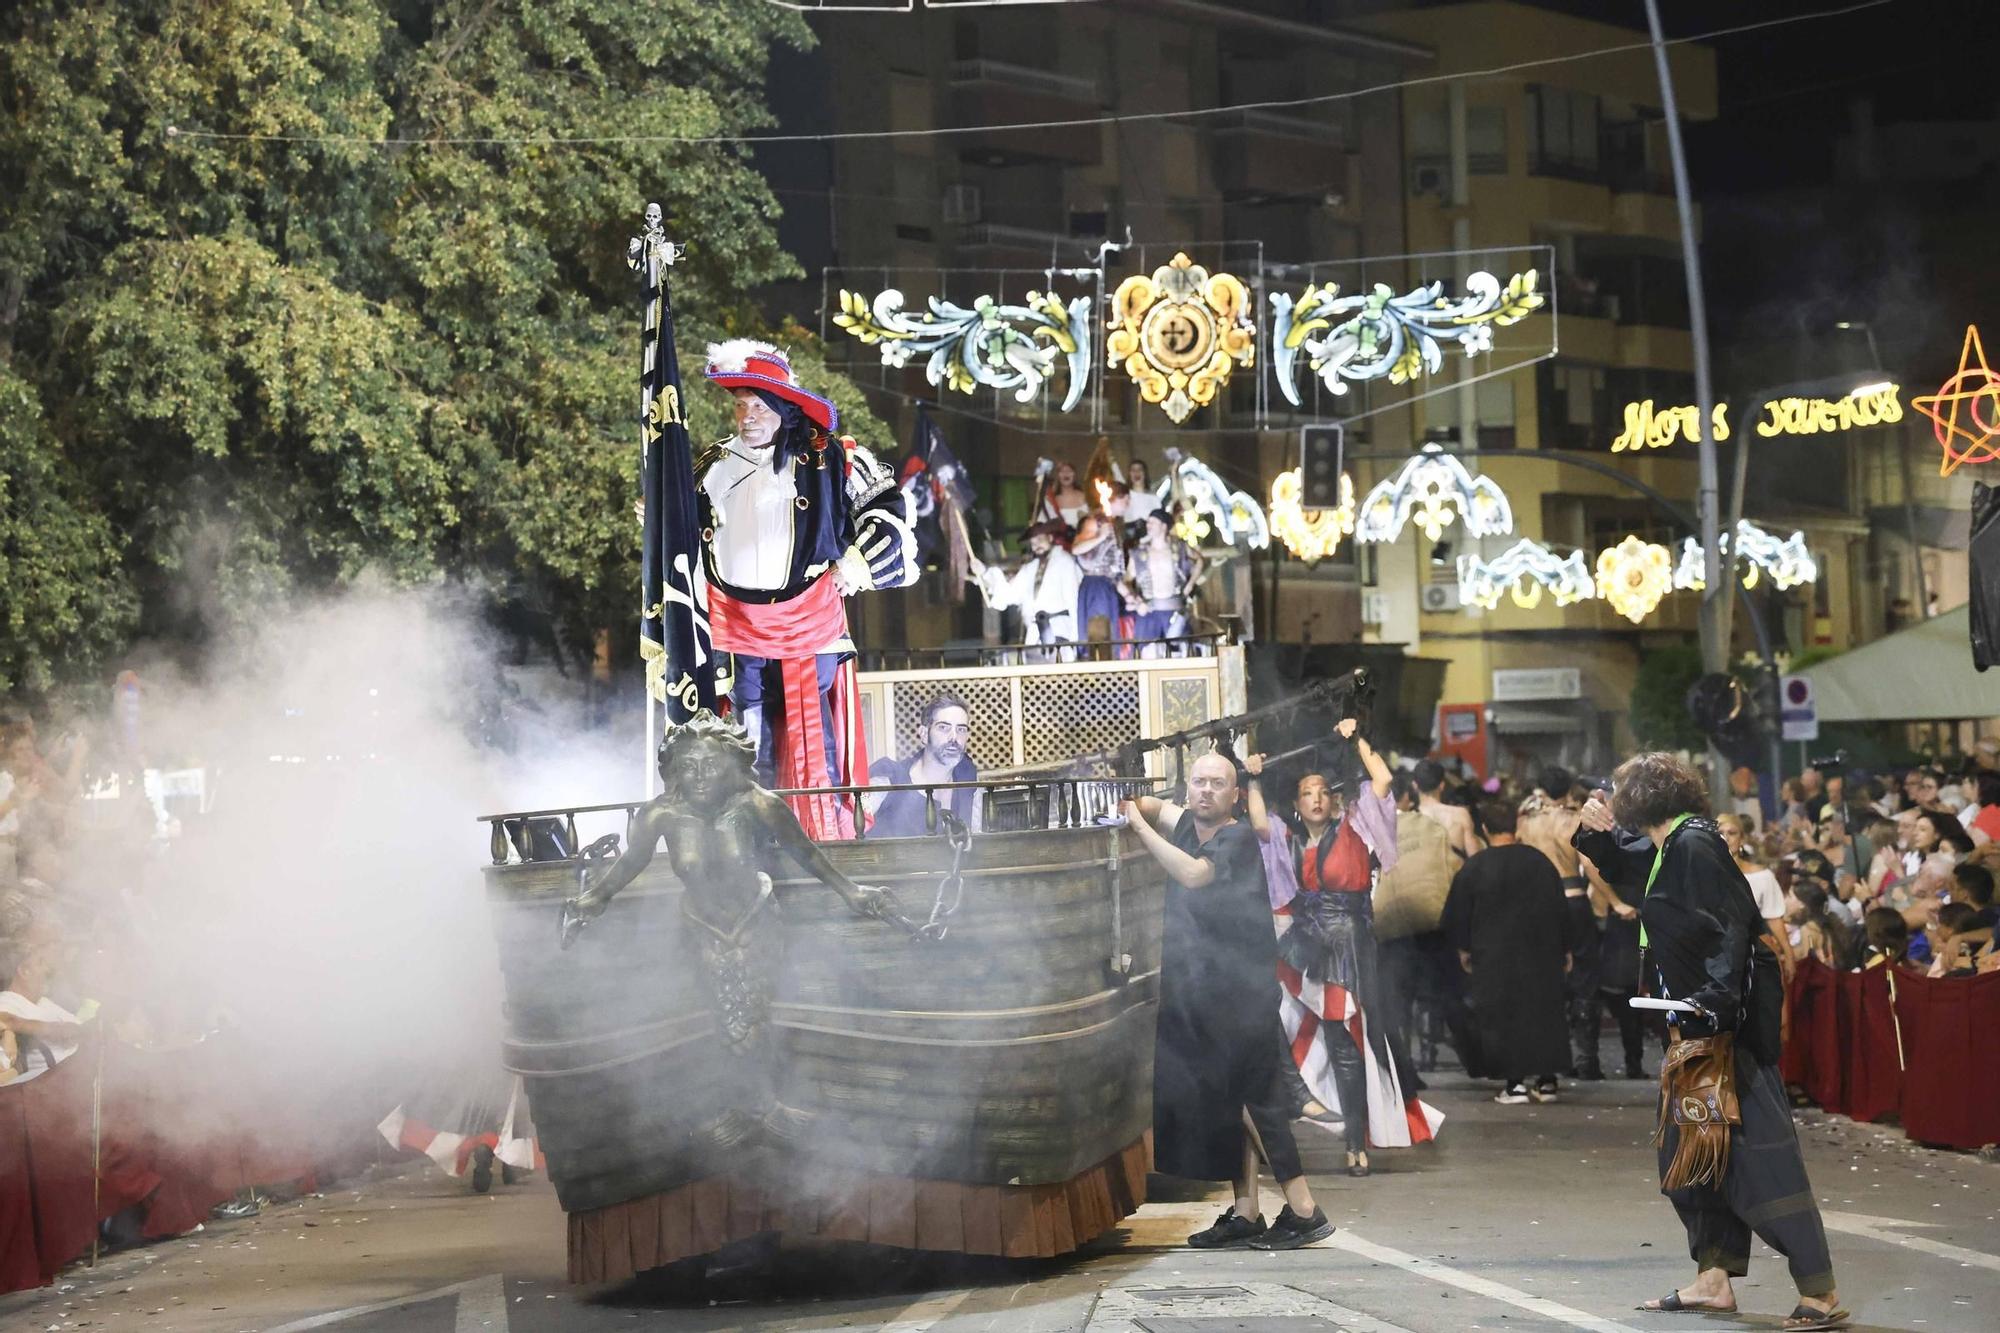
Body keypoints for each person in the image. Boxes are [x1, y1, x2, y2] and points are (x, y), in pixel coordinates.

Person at [1576, 753, 1845, 1330]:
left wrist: (1715, 1008)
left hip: (1721, 1034)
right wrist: (1591, 834)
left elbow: (1730, 927)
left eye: (1618, 788)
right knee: (1690, 1157)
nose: (1610, 794)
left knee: (1759, 1163)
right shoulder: (1672, 845)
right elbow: (1630, 876)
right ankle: (1713, 1279)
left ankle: (1819, 1291)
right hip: (1693, 1029)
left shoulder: (1695, 845)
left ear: (1643, 798)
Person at [564, 711, 901, 1148]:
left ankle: (763, 1106)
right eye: (688, 766)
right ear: (673, 772)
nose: (699, 775)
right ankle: (741, 1106)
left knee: (755, 1011)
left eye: (711, 764)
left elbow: (807, 854)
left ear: (733, 765)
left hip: (754, 918)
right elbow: (631, 862)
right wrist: (594, 899)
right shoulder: (659, 815)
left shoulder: (759, 805)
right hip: (701, 924)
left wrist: (852, 891)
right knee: (720, 1013)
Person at [696, 341, 918, 836]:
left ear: (782, 409)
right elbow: (683, 529)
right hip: (733, 624)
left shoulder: (833, 457)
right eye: (740, 406)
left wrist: (855, 565)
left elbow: (889, 512)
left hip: (808, 621)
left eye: (758, 406)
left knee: (812, 732)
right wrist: (659, 517)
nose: (746, 416)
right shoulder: (713, 463)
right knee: (742, 733)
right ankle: (746, 833)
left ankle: (820, 833)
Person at [1121, 753, 1332, 1251]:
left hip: (1240, 993)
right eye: (1199, 782)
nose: (1207, 791)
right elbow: (1155, 805)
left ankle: (1304, 1209)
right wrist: (1132, 800)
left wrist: (1137, 827)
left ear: (1236, 795)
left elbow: (1194, 875)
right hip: (1207, 993)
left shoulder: (1236, 838)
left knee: (1254, 1102)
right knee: (1228, 1103)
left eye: (1218, 784)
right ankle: (1246, 1210)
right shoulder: (1191, 825)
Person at [1244, 723, 1439, 1177]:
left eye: (1321, 792)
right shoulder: (1286, 842)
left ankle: (1356, 1142)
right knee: (1267, 1019)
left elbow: (1384, 782)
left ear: (1333, 801)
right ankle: (1302, 1100)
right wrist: (1252, 778)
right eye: (1306, 793)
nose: (1315, 798)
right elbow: (1258, 824)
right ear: (1296, 804)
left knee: (1346, 1043)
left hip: (1347, 942)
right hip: (1302, 945)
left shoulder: (1354, 828)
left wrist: (1358, 740)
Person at [1442, 801, 1573, 1104]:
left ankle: (1514, 1084)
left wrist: (1464, 949)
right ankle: (1547, 1080)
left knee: (1504, 1018)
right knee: (1544, 1013)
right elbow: (1560, 908)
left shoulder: (1475, 868)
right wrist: (1566, 947)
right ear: (1515, 826)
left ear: (1484, 829)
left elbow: (1457, 915)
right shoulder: (1540, 862)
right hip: (1542, 953)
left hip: (1494, 957)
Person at [1518, 770, 1602, 1080]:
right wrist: (1614, 899)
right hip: (1574, 897)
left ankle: (1555, 1056)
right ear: (1569, 791)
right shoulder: (1576, 819)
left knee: (1546, 977)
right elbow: (1592, 867)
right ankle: (1587, 1059)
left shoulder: (1526, 821)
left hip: (1538, 902)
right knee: (1585, 977)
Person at [865, 694, 981, 838]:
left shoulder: (968, 780)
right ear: (924, 734)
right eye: (944, 728)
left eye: (961, 729)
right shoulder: (889, 779)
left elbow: (977, 839)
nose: (954, 738)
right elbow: (848, 837)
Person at [971, 520, 1084, 661]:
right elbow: (1010, 593)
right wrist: (985, 572)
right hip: (1035, 635)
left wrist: (1075, 639)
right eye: (1033, 543)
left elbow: (1073, 600)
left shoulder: (1065, 562)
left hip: (1060, 631)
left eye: (1040, 540)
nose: (1037, 546)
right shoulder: (1030, 568)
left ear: (1050, 538)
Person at [1120, 509, 1204, 658]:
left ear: (1164, 526)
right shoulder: (1139, 553)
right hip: (1149, 611)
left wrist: (1190, 584)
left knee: (1182, 655)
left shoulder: (1180, 548)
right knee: (1145, 655)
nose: (1148, 525)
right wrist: (1135, 600)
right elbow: (1125, 581)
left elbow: (1200, 560)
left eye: (1153, 522)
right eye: (1148, 522)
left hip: (1175, 610)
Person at [1719, 813, 1794, 975]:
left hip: (1757, 953)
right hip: (1718, 955)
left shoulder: (1762, 876)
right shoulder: (1704, 875)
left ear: (1742, 839)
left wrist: (1788, 955)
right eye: (1720, 833)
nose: (1726, 838)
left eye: (1732, 833)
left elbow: (1774, 918)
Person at [1070, 482, 1129, 651]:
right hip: (1095, 585)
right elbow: (1076, 548)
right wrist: (1100, 538)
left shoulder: (1114, 524)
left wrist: (1128, 594)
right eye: (1126, 500)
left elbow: (1112, 567)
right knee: (1098, 636)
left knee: (1110, 638)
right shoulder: (1094, 521)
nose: (1128, 505)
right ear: (1116, 498)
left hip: (1108, 585)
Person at [1414, 760, 1481, 865]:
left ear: (1415, 786)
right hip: (1453, 879)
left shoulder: (1407, 819)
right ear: (1442, 786)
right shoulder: (1460, 815)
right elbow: (1476, 860)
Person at [1036, 459, 1088, 531]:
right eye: (1062, 471)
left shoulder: (1086, 497)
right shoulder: (1050, 500)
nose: (1066, 473)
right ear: (1058, 476)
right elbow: (1041, 524)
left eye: (1069, 471)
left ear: (1074, 475)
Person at [1124, 457, 1161, 527]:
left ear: (1144, 473)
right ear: (1130, 474)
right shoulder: (1124, 498)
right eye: (1133, 470)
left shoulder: (1154, 498)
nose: (1136, 472)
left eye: (1139, 469)